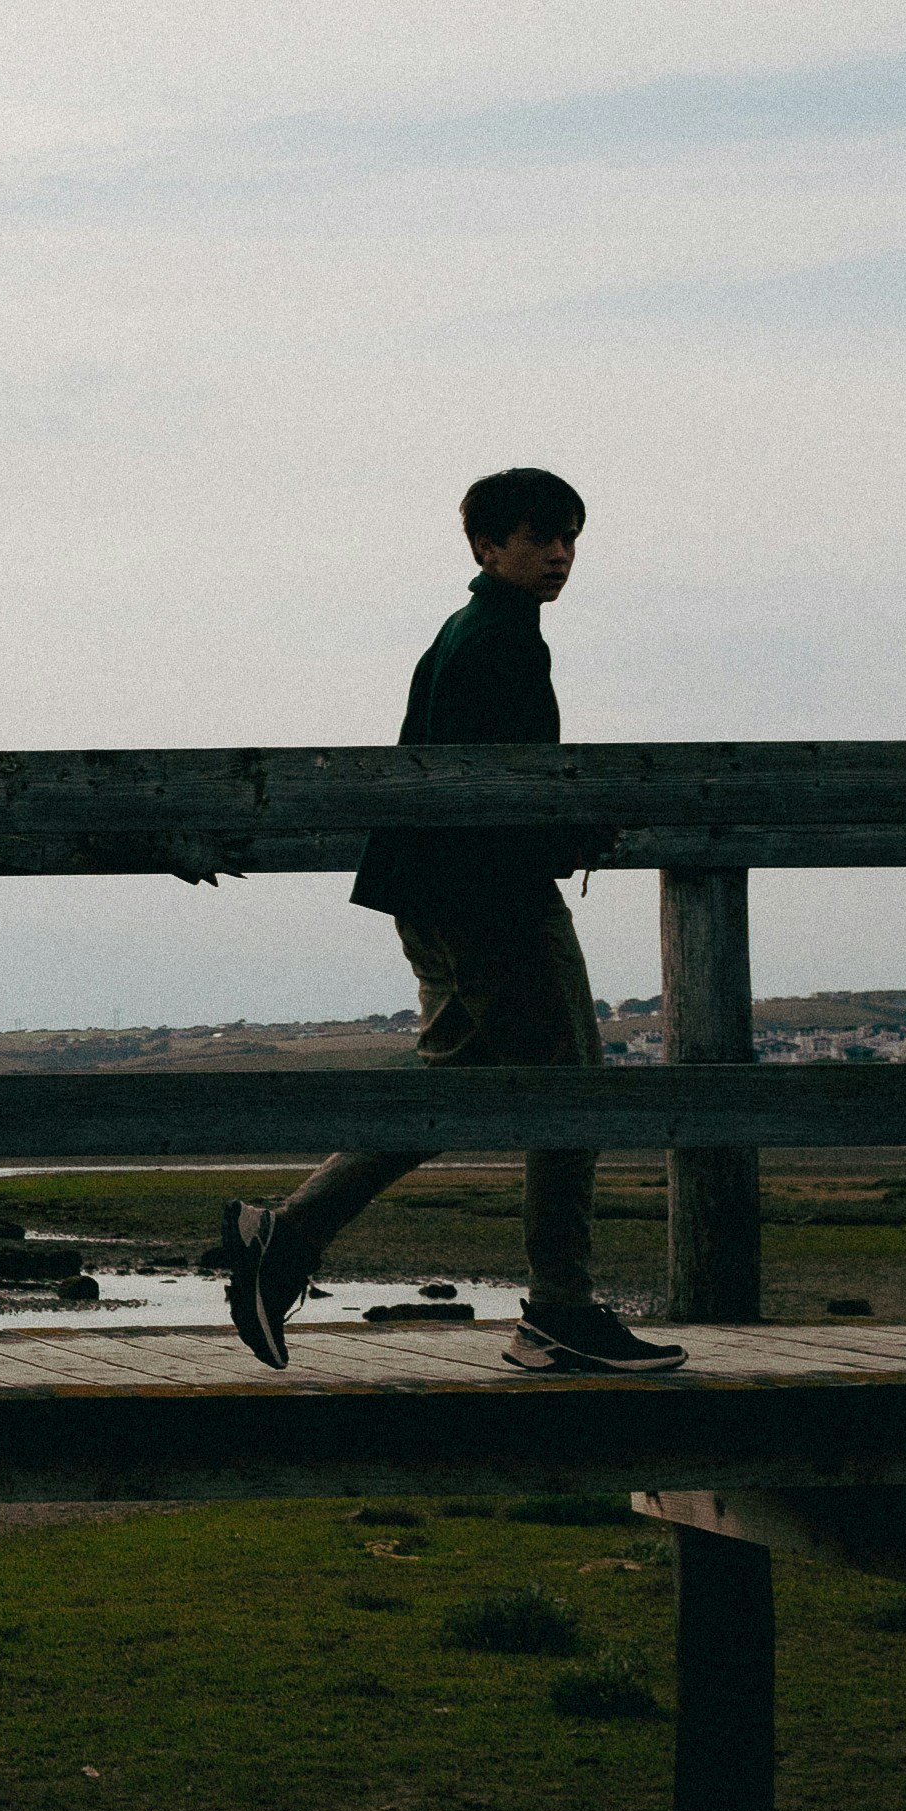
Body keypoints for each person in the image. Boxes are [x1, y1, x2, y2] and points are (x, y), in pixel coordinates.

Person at [214, 469, 684, 1377]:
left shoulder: (479, 634)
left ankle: (290, 1234)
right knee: (572, 1092)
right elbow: (488, 791)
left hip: (450, 900)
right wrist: (575, 824)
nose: (560, 554)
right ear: (485, 546)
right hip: (488, 905)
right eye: (539, 537)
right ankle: (559, 1312)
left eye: (571, 538)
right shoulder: (497, 641)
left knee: (462, 1089)